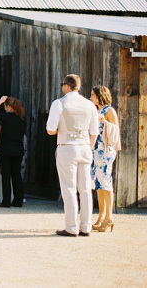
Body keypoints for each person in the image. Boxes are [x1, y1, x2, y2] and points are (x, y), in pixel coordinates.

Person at [46, 74, 99, 237]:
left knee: (69, 188)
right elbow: (94, 131)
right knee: (85, 189)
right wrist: (88, 147)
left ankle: (71, 226)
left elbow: (50, 130)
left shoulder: (59, 103)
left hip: (67, 147)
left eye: (63, 85)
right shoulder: (89, 105)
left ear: (66, 86)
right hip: (84, 147)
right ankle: (86, 226)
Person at [0, 95, 27, 207]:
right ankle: (18, 201)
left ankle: (6, 201)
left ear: (9, 106)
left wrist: (0, 101)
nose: (4, 108)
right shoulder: (22, 120)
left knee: (6, 175)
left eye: (5, 106)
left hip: (5, 149)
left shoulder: (6, 117)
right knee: (16, 175)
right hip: (18, 149)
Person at [90, 85, 119, 232]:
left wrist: (105, 122)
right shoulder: (96, 111)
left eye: (93, 95)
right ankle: (101, 216)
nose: (91, 98)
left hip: (106, 151)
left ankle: (109, 217)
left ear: (100, 96)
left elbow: (115, 131)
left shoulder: (109, 110)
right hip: (97, 151)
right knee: (99, 184)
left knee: (106, 183)